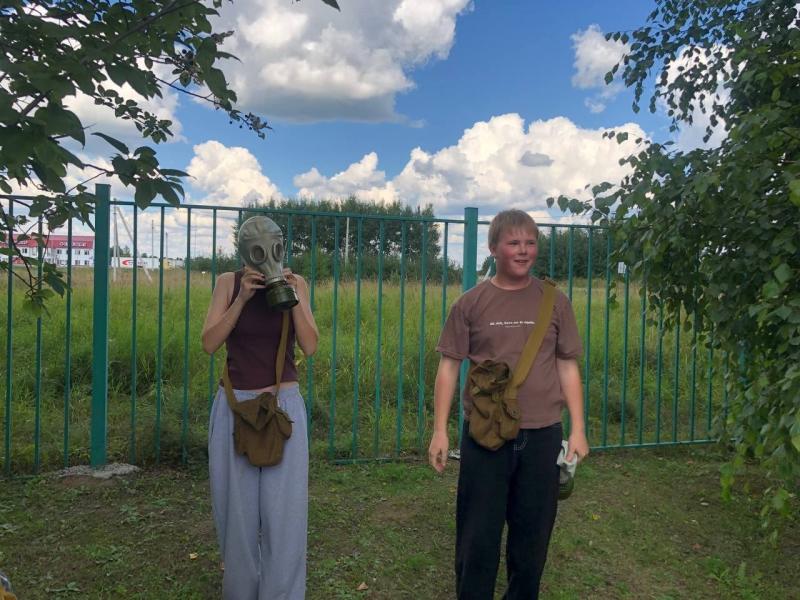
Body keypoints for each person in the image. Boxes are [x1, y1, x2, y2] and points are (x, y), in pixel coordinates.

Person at [428, 209, 589, 600]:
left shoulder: (555, 302)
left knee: (532, 539)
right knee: (477, 536)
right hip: (485, 435)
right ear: (493, 247)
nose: (523, 250)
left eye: (530, 243)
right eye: (514, 243)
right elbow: (448, 367)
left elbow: (567, 365)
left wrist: (579, 429)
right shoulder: (470, 304)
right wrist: (439, 431)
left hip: (543, 435)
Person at [202, 264, 318, 600]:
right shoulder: (228, 283)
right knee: (236, 514)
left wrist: (291, 296)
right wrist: (241, 299)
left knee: (286, 515)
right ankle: (241, 591)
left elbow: (310, 345)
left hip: (283, 409)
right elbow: (209, 343)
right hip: (237, 409)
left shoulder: (297, 283)